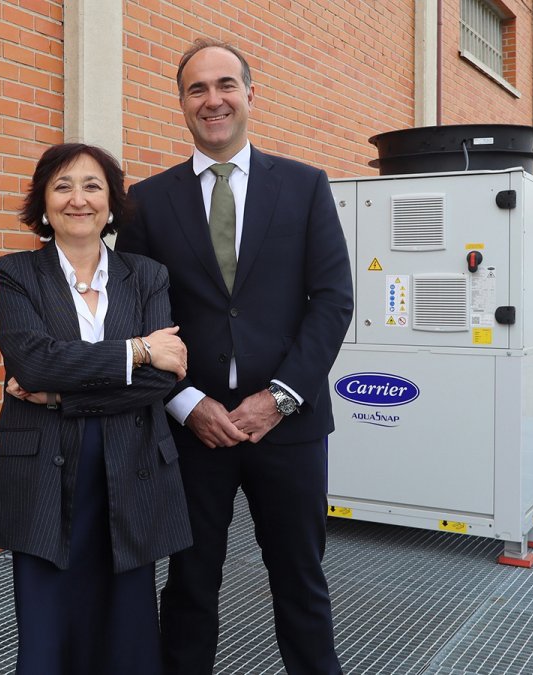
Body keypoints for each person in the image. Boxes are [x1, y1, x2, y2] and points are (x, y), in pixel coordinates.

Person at [117, 39, 354, 675]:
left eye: (225, 85)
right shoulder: (147, 201)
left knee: (301, 583)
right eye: (197, 89)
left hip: (290, 424)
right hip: (194, 430)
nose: (212, 100)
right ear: (182, 104)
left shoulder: (304, 187)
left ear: (251, 95)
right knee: (191, 585)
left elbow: (332, 301)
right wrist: (186, 402)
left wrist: (279, 398)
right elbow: (137, 318)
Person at [0, 142, 194, 675]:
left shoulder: (147, 276)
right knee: (48, 620)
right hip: (42, 473)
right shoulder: (16, 273)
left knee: (127, 622)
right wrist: (137, 349)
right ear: (44, 202)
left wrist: (60, 393)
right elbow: (32, 362)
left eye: (92, 186)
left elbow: (157, 384)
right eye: (63, 186)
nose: (78, 199)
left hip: (133, 463)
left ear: (111, 201)